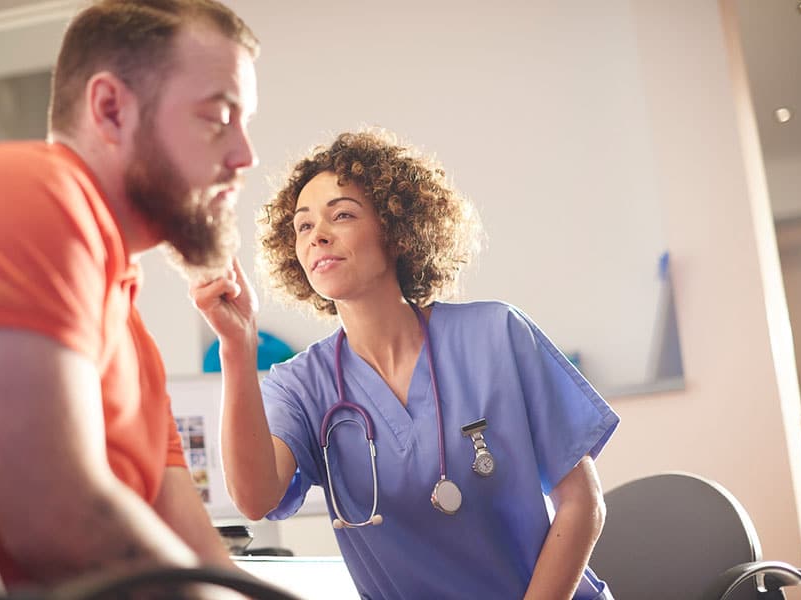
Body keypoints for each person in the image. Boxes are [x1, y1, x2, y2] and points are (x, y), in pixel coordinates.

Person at [0, 0, 260, 591]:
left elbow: (200, 558)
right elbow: (61, 520)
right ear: (110, 109)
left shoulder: (132, 337)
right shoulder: (26, 187)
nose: (244, 155)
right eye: (217, 117)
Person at [193, 129, 620, 599]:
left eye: (343, 215)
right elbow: (255, 498)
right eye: (303, 226)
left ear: (397, 231)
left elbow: (583, 503)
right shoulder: (300, 386)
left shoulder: (496, 335)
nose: (319, 236)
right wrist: (236, 347)